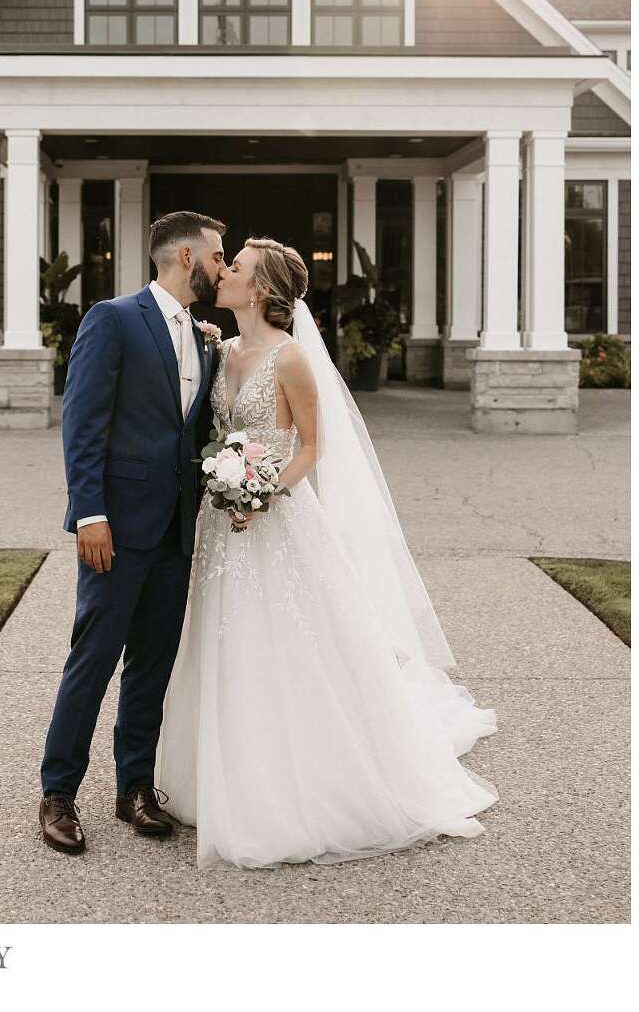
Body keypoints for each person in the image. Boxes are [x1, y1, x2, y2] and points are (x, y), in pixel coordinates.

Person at [156, 237, 496, 868]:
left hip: (274, 519)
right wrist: (225, 488)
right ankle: (219, 774)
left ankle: (299, 784)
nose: (223, 272)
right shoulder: (218, 349)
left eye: (235, 268)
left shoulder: (291, 361)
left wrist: (260, 492)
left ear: (258, 290)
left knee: (284, 643)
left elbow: (312, 448)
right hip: (218, 525)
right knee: (221, 641)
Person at [39, 211, 227, 854]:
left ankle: (135, 789)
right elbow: (82, 421)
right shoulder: (113, 319)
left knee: (153, 664)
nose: (222, 267)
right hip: (115, 528)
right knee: (92, 661)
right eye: (217, 256)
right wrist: (89, 514)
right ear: (183, 256)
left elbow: (190, 433)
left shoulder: (205, 340)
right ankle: (58, 794)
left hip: (177, 529)